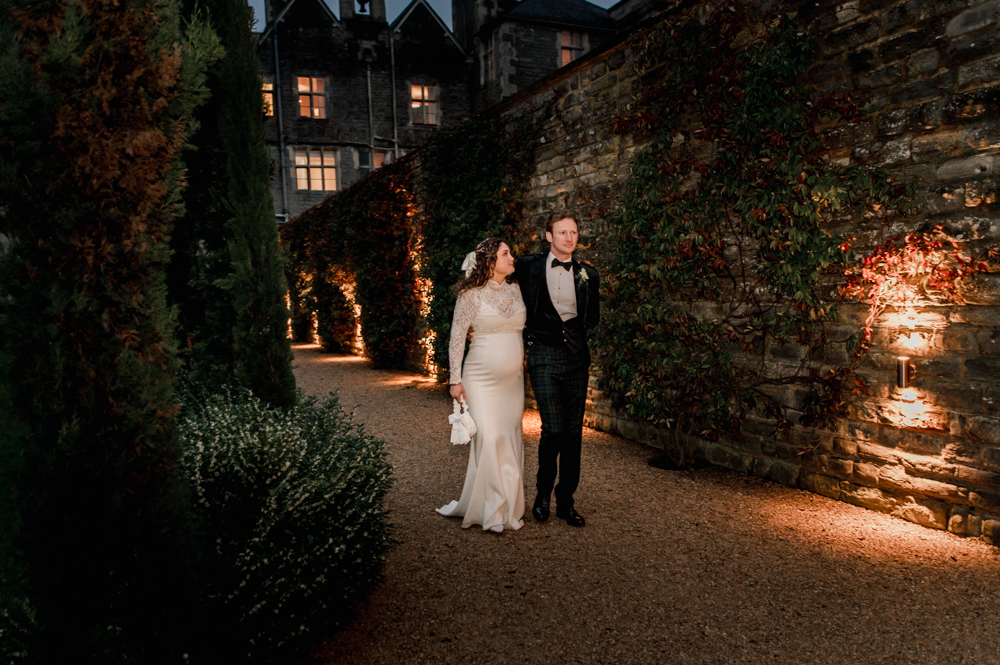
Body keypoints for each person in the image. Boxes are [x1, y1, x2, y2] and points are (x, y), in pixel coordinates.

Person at [514, 211, 600, 527]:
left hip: (577, 359)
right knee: (553, 428)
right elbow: (495, 283)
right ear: (549, 236)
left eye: (573, 232)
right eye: (562, 232)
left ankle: (566, 501)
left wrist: (574, 334)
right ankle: (542, 496)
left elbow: (593, 317)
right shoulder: (527, 267)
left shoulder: (590, 274)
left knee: (573, 433)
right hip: (543, 356)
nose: (568, 237)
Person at [437, 238, 527, 533]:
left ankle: (507, 507)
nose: (512, 257)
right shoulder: (470, 295)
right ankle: (490, 509)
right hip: (481, 379)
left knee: (509, 439)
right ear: (489, 262)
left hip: (513, 382)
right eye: (505, 253)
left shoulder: (516, 289)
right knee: (489, 438)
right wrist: (455, 380)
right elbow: (456, 337)